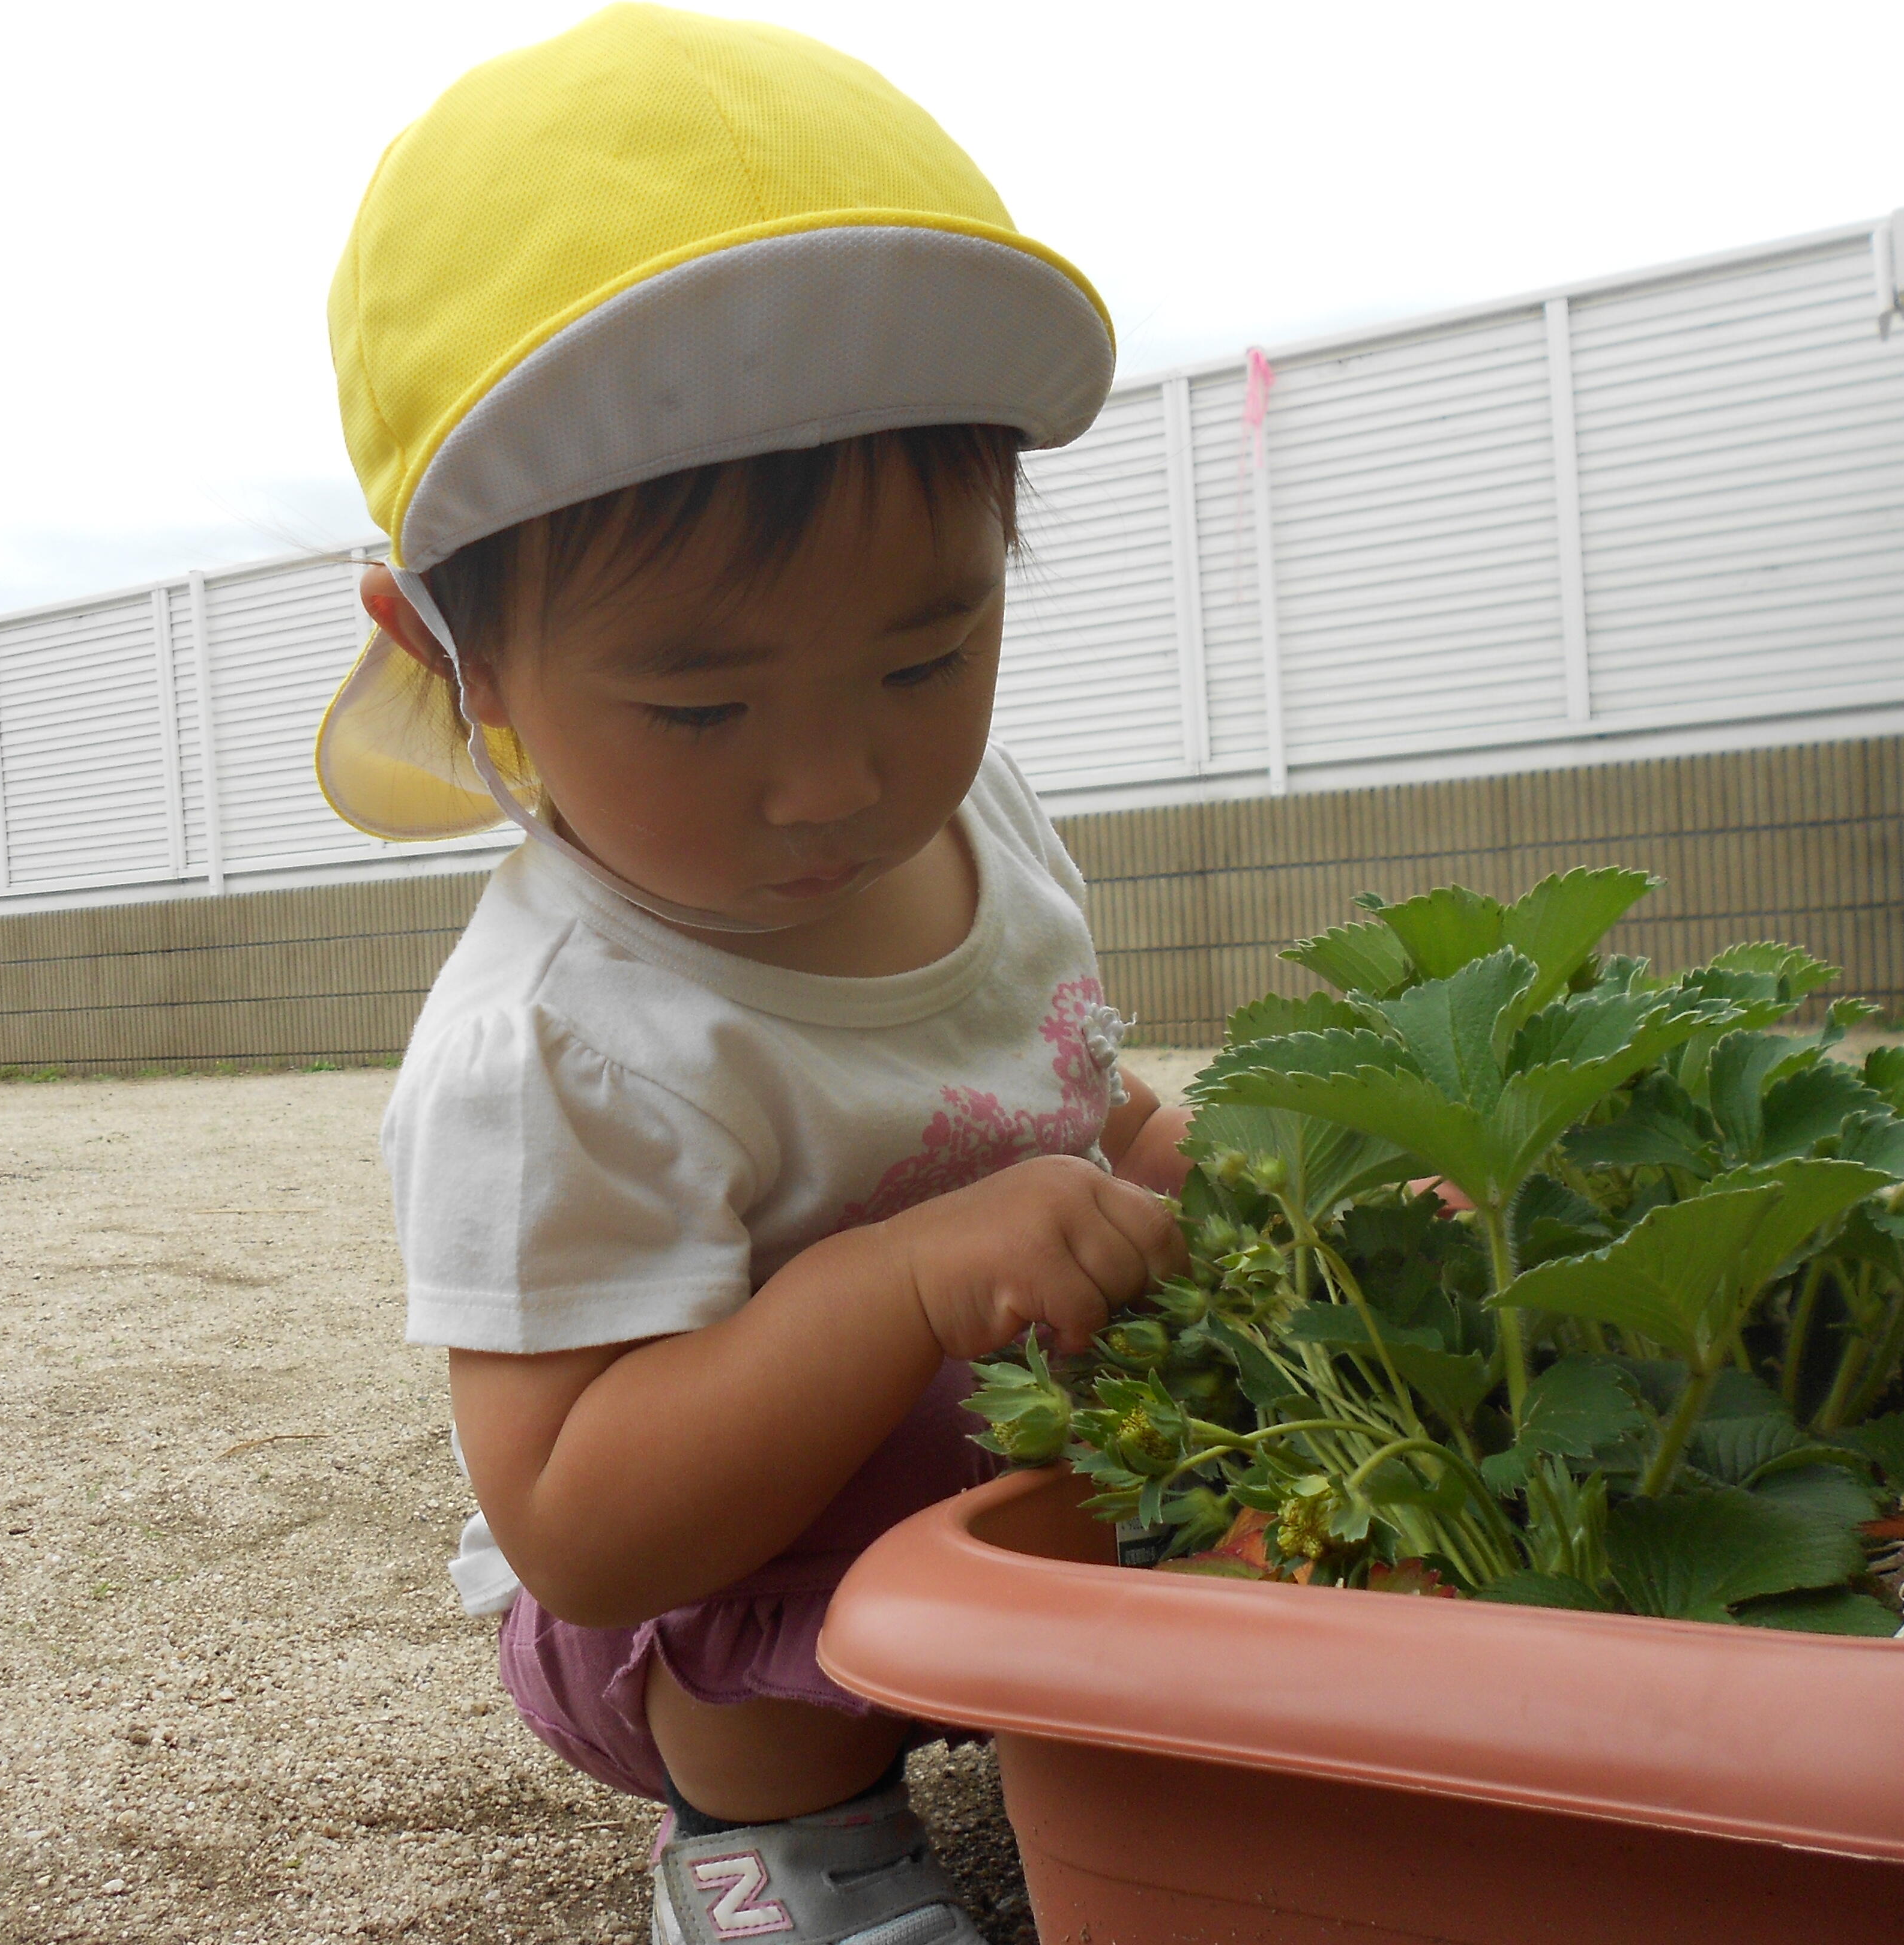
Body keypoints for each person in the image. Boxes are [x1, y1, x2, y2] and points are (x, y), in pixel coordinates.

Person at [315, 10, 1192, 1940]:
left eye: (926, 656)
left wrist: (1187, 1157)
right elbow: (585, 1523)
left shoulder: (985, 825)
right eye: (700, 703)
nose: (839, 782)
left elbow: (1070, 1086)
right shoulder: (562, 1037)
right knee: (756, 1670)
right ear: (451, 656)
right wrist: (897, 1278)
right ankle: (770, 1849)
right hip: (734, 1583)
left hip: (1013, 1498)